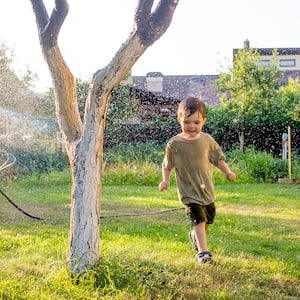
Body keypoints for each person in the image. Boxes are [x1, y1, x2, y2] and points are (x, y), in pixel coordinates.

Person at [159, 97, 236, 265]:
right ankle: (203, 253)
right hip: (188, 192)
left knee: (208, 219)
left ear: (203, 121)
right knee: (199, 220)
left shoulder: (207, 140)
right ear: (179, 120)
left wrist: (227, 171)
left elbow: (218, 159)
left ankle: (194, 236)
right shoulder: (175, 144)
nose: (192, 126)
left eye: (196, 122)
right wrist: (165, 180)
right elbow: (167, 165)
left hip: (206, 190)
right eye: (187, 122)